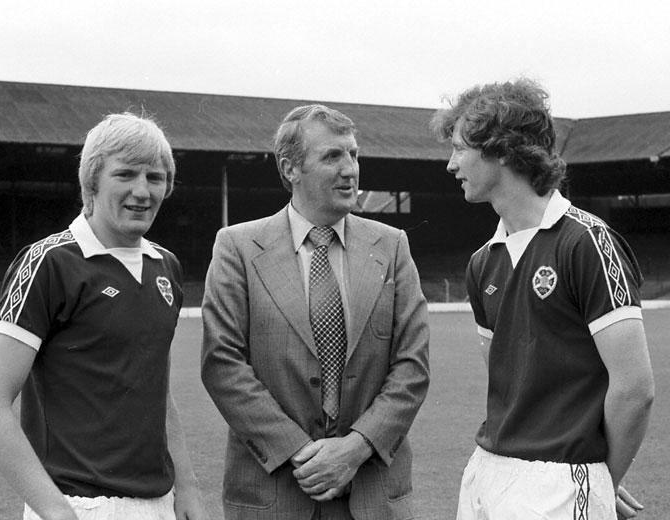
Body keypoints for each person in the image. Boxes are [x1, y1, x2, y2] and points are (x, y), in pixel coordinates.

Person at [430, 79, 655, 520]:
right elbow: (510, 379)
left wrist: (599, 479)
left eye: (459, 148)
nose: (451, 164)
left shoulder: (587, 242)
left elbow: (635, 389)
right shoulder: (482, 263)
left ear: (500, 149)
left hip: (559, 482)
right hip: (486, 471)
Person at [0, 112, 207, 520]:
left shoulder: (166, 266)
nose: (142, 191)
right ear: (92, 181)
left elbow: (157, 390)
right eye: (126, 174)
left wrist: (186, 487)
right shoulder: (49, 263)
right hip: (79, 506)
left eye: (155, 177)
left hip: (160, 503)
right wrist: (56, 512)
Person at [200, 104, 430, 519]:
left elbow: (412, 366)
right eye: (332, 156)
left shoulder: (392, 246)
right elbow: (222, 364)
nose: (350, 169)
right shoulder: (237, 247)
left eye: (354, 154)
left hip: (373, 496)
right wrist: (305, 454)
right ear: (290, 168)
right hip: (273, 497)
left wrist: (355, 448)